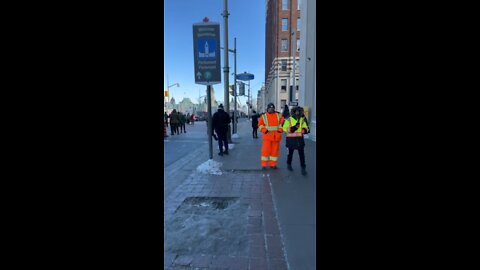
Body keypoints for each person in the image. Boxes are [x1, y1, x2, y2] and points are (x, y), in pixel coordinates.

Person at [282, 106, 310, 175]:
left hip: (300, 140)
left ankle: (303, 168)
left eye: (299, 111)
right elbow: (284, 128)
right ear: (293, 112)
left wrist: (304, 130)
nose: (297, 112)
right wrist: (292, 128)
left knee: (302, 155)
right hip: (291, 140)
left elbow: (306, 127)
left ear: (301, 112)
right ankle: (289, 164)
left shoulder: (302, 119)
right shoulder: (289, 119)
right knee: (290, 154)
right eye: (296, 111)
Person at [258, 103, 284, 169]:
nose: (271, 109)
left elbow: (282, 124)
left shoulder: (279, 115)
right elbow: (260, 125)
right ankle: (264, 165)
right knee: (265, 151)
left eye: (272, 108)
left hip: (276, 137)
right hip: (267, 137)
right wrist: (265, 130)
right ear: (267, 108)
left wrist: (280, 130)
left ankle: (273, 164)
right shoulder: (264, 116)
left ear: (274, 109)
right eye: (270, 108)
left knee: (275, 152)